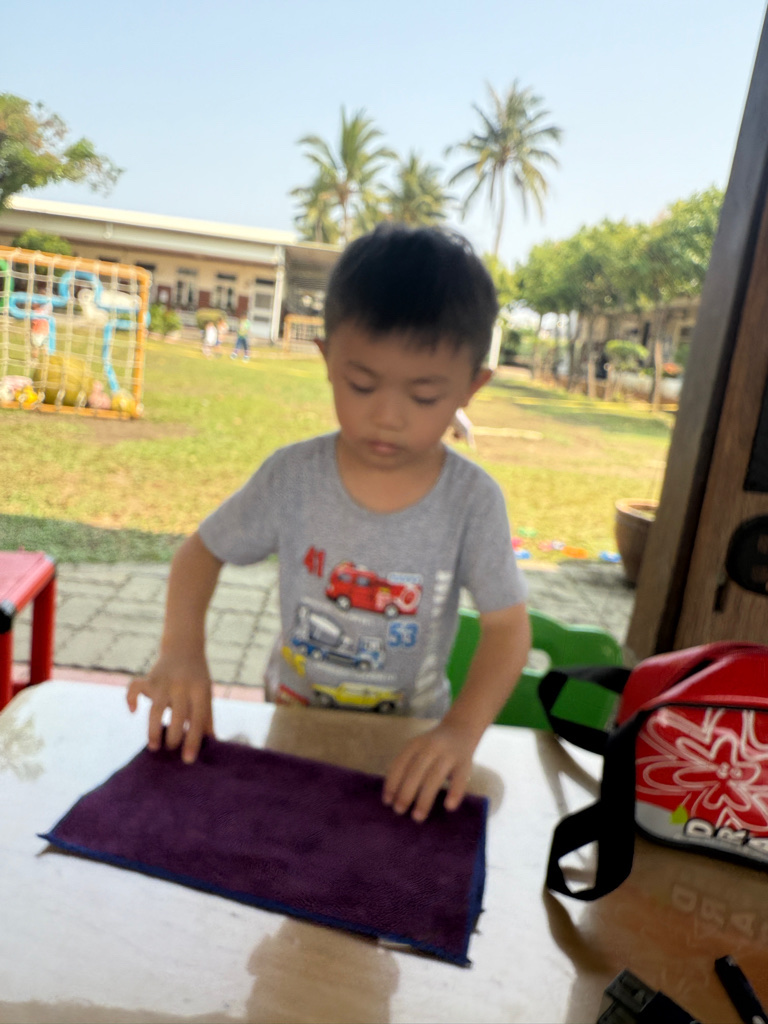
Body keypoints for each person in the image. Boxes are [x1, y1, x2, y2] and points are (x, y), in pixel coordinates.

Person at [128, 224, 531, 823]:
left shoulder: (472, 501)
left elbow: (507, 629)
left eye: (423, 396)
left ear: (473, 387)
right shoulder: (292, 477)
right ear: (327, 360)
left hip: (409, 749)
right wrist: (181, 650)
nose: (387, 415)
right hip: (293, 730)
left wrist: (459, 731)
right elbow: (200, 554)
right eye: (361, 384)